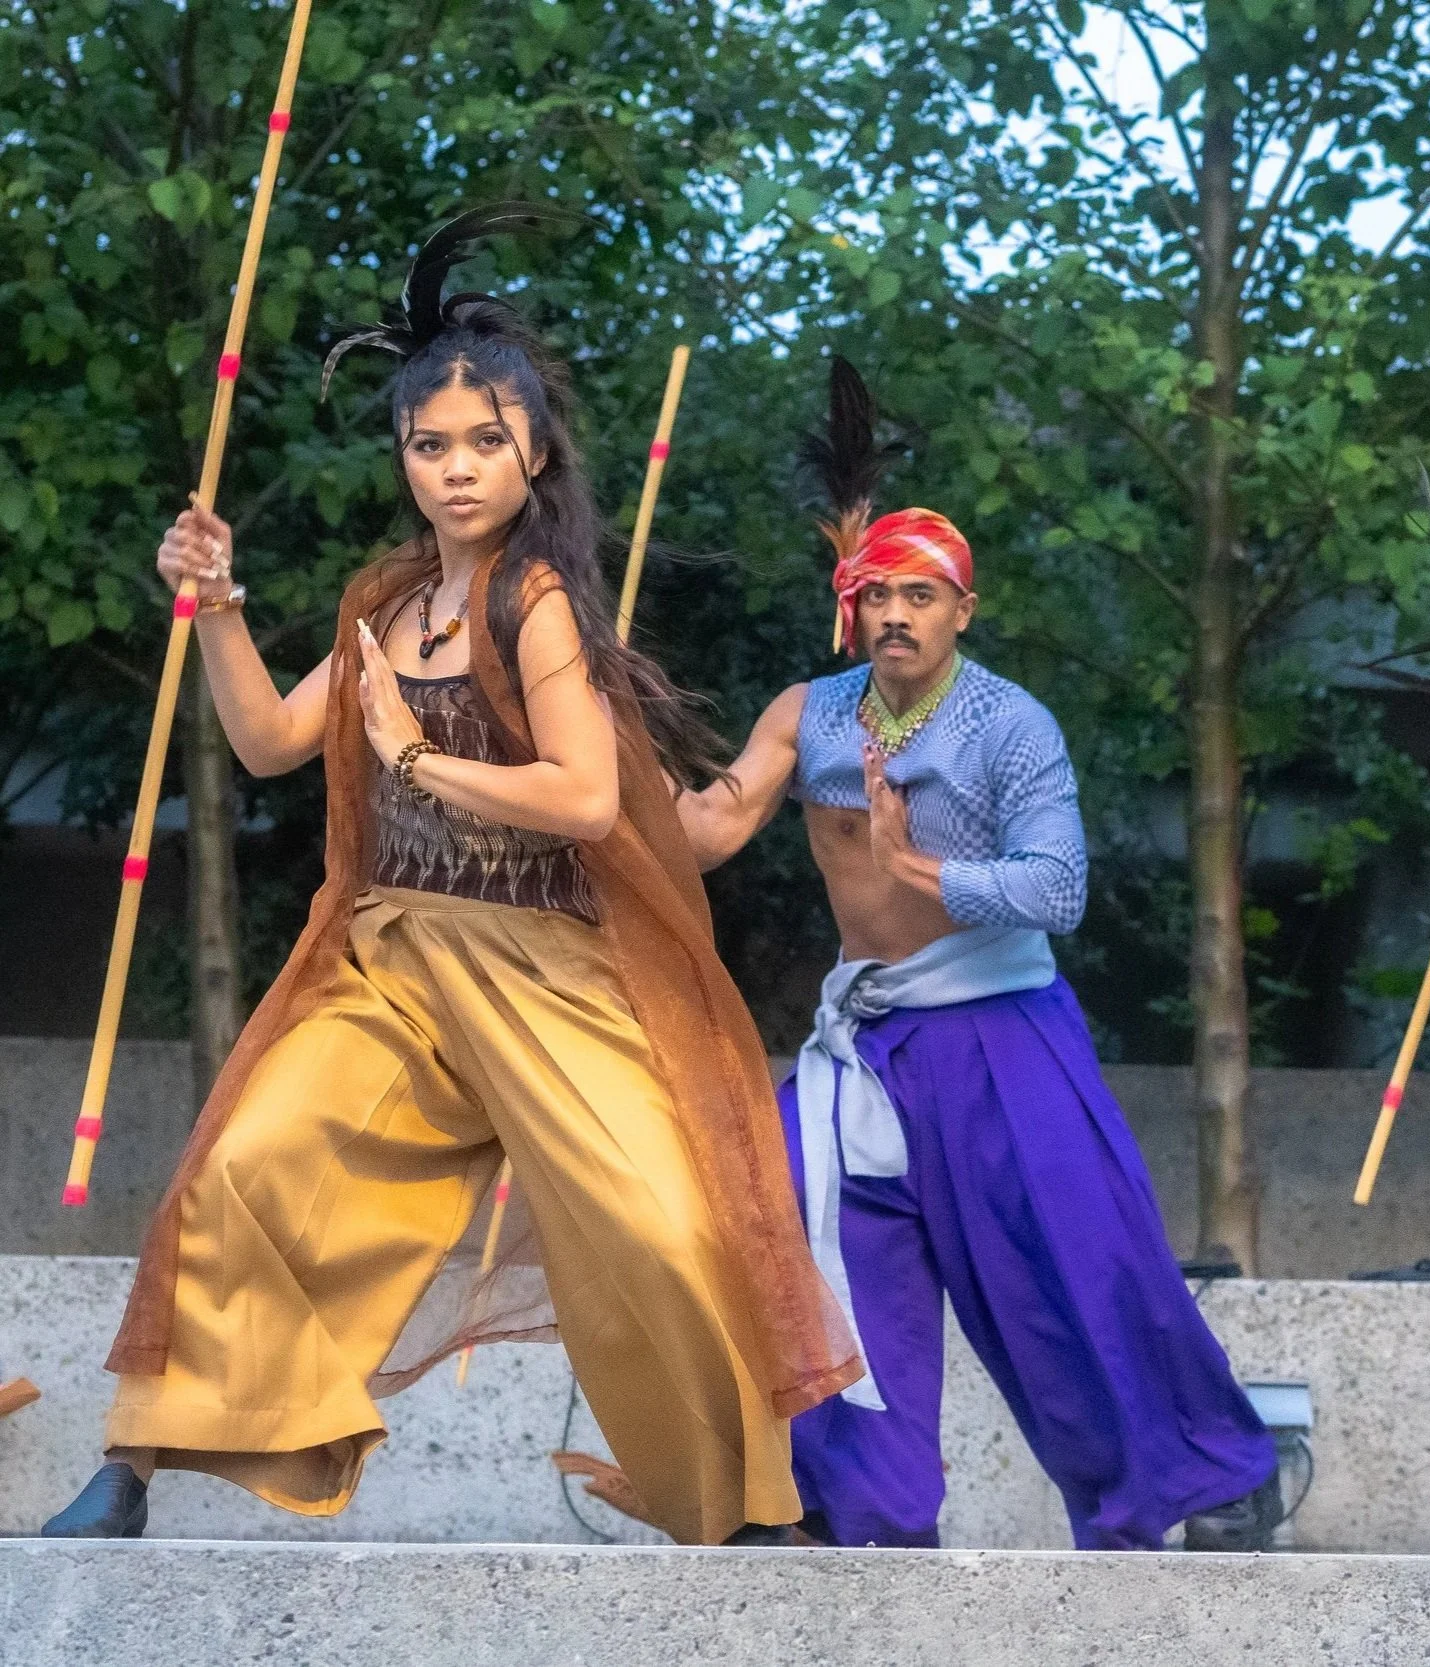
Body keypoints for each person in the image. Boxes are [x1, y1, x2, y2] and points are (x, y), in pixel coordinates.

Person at [39, 210, 859, 1546]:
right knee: (242, 1160)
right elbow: (265, 742)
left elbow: (587, 796)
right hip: (397, 960)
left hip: (549, 966)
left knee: (659, 1225)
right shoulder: (385, 601)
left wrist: (418, 761)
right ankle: (137, 1459)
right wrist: (220, 605)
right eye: (432, 444)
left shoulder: (533, 602)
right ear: (404, 459)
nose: (458, 466)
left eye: (485, 440)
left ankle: (746, 1507)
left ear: (532, 452)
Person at [669, 361, 1281, 1551]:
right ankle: (855, 1501)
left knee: (1072, 1270)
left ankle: (1206, 1477)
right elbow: (711, 827)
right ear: (850, 606)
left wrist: (923, 872)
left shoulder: (1011, 726)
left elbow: (1059, 888)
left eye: (921, 595)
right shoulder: (808, 711)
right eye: (877, 594)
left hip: (1001, 1033)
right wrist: (621, 799)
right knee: (780, 1232)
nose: (896, 614)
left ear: (963, 609)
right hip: (867, 1047)